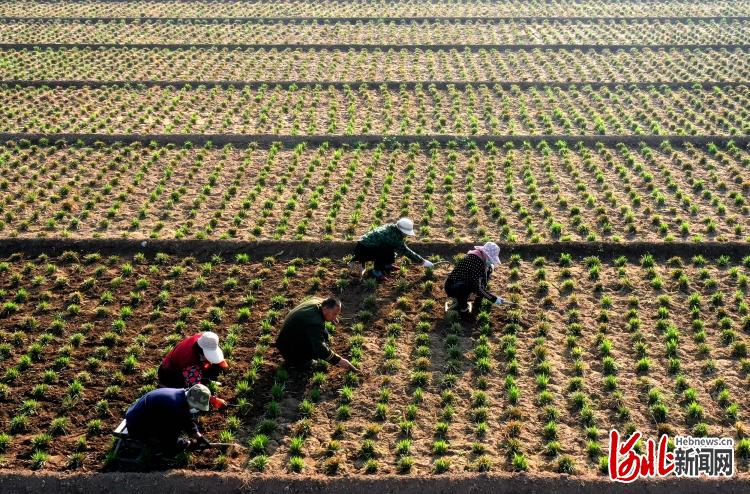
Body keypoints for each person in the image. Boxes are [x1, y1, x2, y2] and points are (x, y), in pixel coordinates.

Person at [124, 384, 212, 455]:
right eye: (196, 406)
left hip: (135, 412)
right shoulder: (173, 409)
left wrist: (198, 436)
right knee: (170, 449)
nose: (196, 409)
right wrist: (187, 444)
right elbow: (168, 440)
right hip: (135, 426)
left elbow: (185, 416)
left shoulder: (181, 395)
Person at [275, 296, 357, 371]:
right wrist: (339, 360)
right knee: (317, 348)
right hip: (287, 346)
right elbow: (320, 348)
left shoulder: (319, 302)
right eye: (334, 314)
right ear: (325, 309)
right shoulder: (315, 322)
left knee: (324, 334)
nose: (336, 318)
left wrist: (332, 316)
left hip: (290, 334)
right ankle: (298, 362)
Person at [157, 331, 228, 409]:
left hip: (179, 365)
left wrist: (220, 361)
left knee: (212, 367)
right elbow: (195, 390)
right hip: (169, 375)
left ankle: (203, 379)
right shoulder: (190, 364)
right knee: (186, 394)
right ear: (201, 353)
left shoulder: (203, 338)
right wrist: (213, 400)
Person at [349, 217, 434, 281]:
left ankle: (387, 265)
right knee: (382, 252)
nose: (406, 235)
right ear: (402, 231)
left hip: (366, 246)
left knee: (388, 248)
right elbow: (405, 251)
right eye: (406, 233)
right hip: (364, 249)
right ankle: (376, 272)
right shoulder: (393, 236)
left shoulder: (392, 228)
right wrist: (422, 261)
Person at [444, 241, 506, 322]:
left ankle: (476, 301)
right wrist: (493, 299)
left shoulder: (480, 259)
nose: (490, 260)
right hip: (453, 287)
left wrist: (482, 296)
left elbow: (481, 281)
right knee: (465, 287)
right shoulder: (475, 261)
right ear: (484, 253)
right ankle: (463, 310)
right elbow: (477, 287)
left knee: (486, 273)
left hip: (463, 283)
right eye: (490, 258)